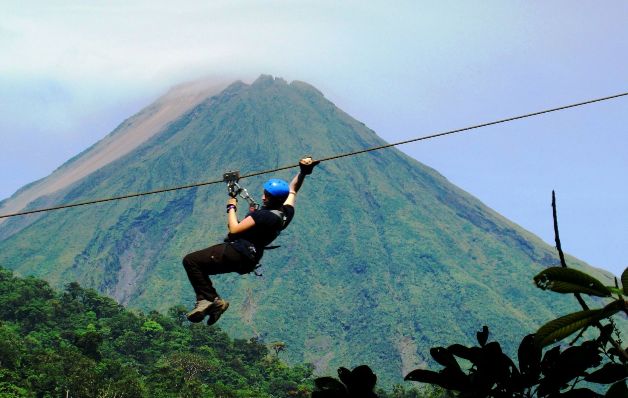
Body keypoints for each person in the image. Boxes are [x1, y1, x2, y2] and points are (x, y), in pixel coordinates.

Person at [182, 157, 319, 325]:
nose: (263, 197)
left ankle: (212, 300)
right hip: (250, 259)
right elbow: (293, 190)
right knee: (201, 267)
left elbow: (234, 229)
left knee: (191, 261)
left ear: (270, 198)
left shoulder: (262, 215)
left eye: (266, 196)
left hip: (238, 252)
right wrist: (303, 172)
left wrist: (231, 206)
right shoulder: (285, 214)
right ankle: (208, 301)